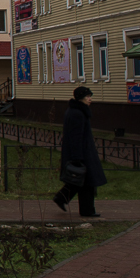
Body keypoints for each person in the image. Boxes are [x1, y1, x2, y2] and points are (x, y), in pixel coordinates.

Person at [53, 86, 106, 217]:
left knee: (80, 182)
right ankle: (86, 210)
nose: (90, 99)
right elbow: (76, 137)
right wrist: (77, 158)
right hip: (82, 154)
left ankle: (63, 199)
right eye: (88, 97)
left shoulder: (76, 111)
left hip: (82, 153)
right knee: (86, 182)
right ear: (81, 98)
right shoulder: (77, 113)